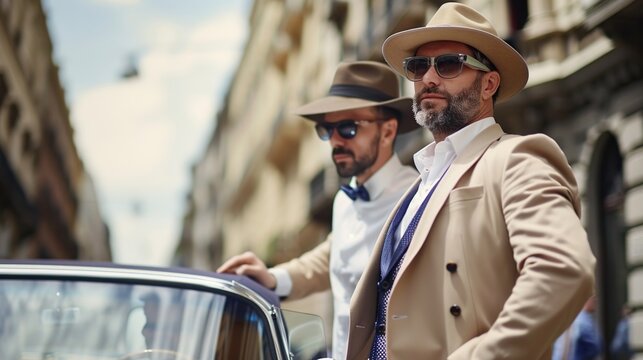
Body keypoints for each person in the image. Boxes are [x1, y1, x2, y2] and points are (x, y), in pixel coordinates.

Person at [345, 3, 596, 359]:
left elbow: (564, 270)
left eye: (448, 64)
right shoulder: (417, 188)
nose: (428, 78)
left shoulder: (515, 158)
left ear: (488, 83)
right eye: (418, 67)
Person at [217, 60, 419, 359]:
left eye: (348, 128)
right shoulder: (344, 201)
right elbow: (332, 255)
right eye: (327, 129)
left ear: (388, 131)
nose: (335, 141)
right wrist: (272, 277)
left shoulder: (417, 198)